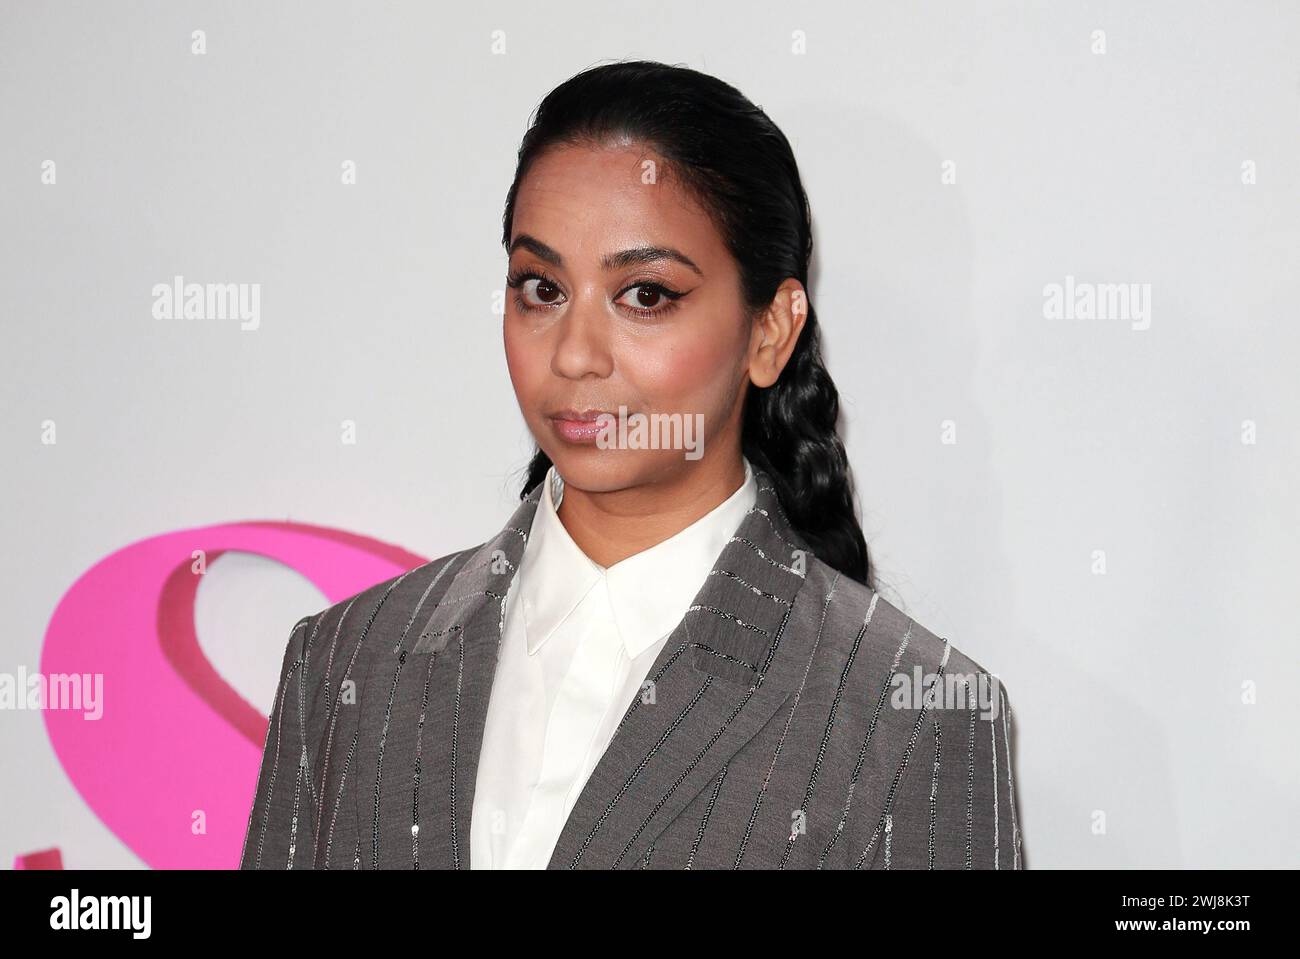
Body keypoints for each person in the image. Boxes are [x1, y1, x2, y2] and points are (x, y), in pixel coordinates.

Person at [241, 59, 1023, 870]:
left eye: (645, 295)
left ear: (770, 332)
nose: (575, 354)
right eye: (541, 288)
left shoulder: (913, 715)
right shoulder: (344, 660)